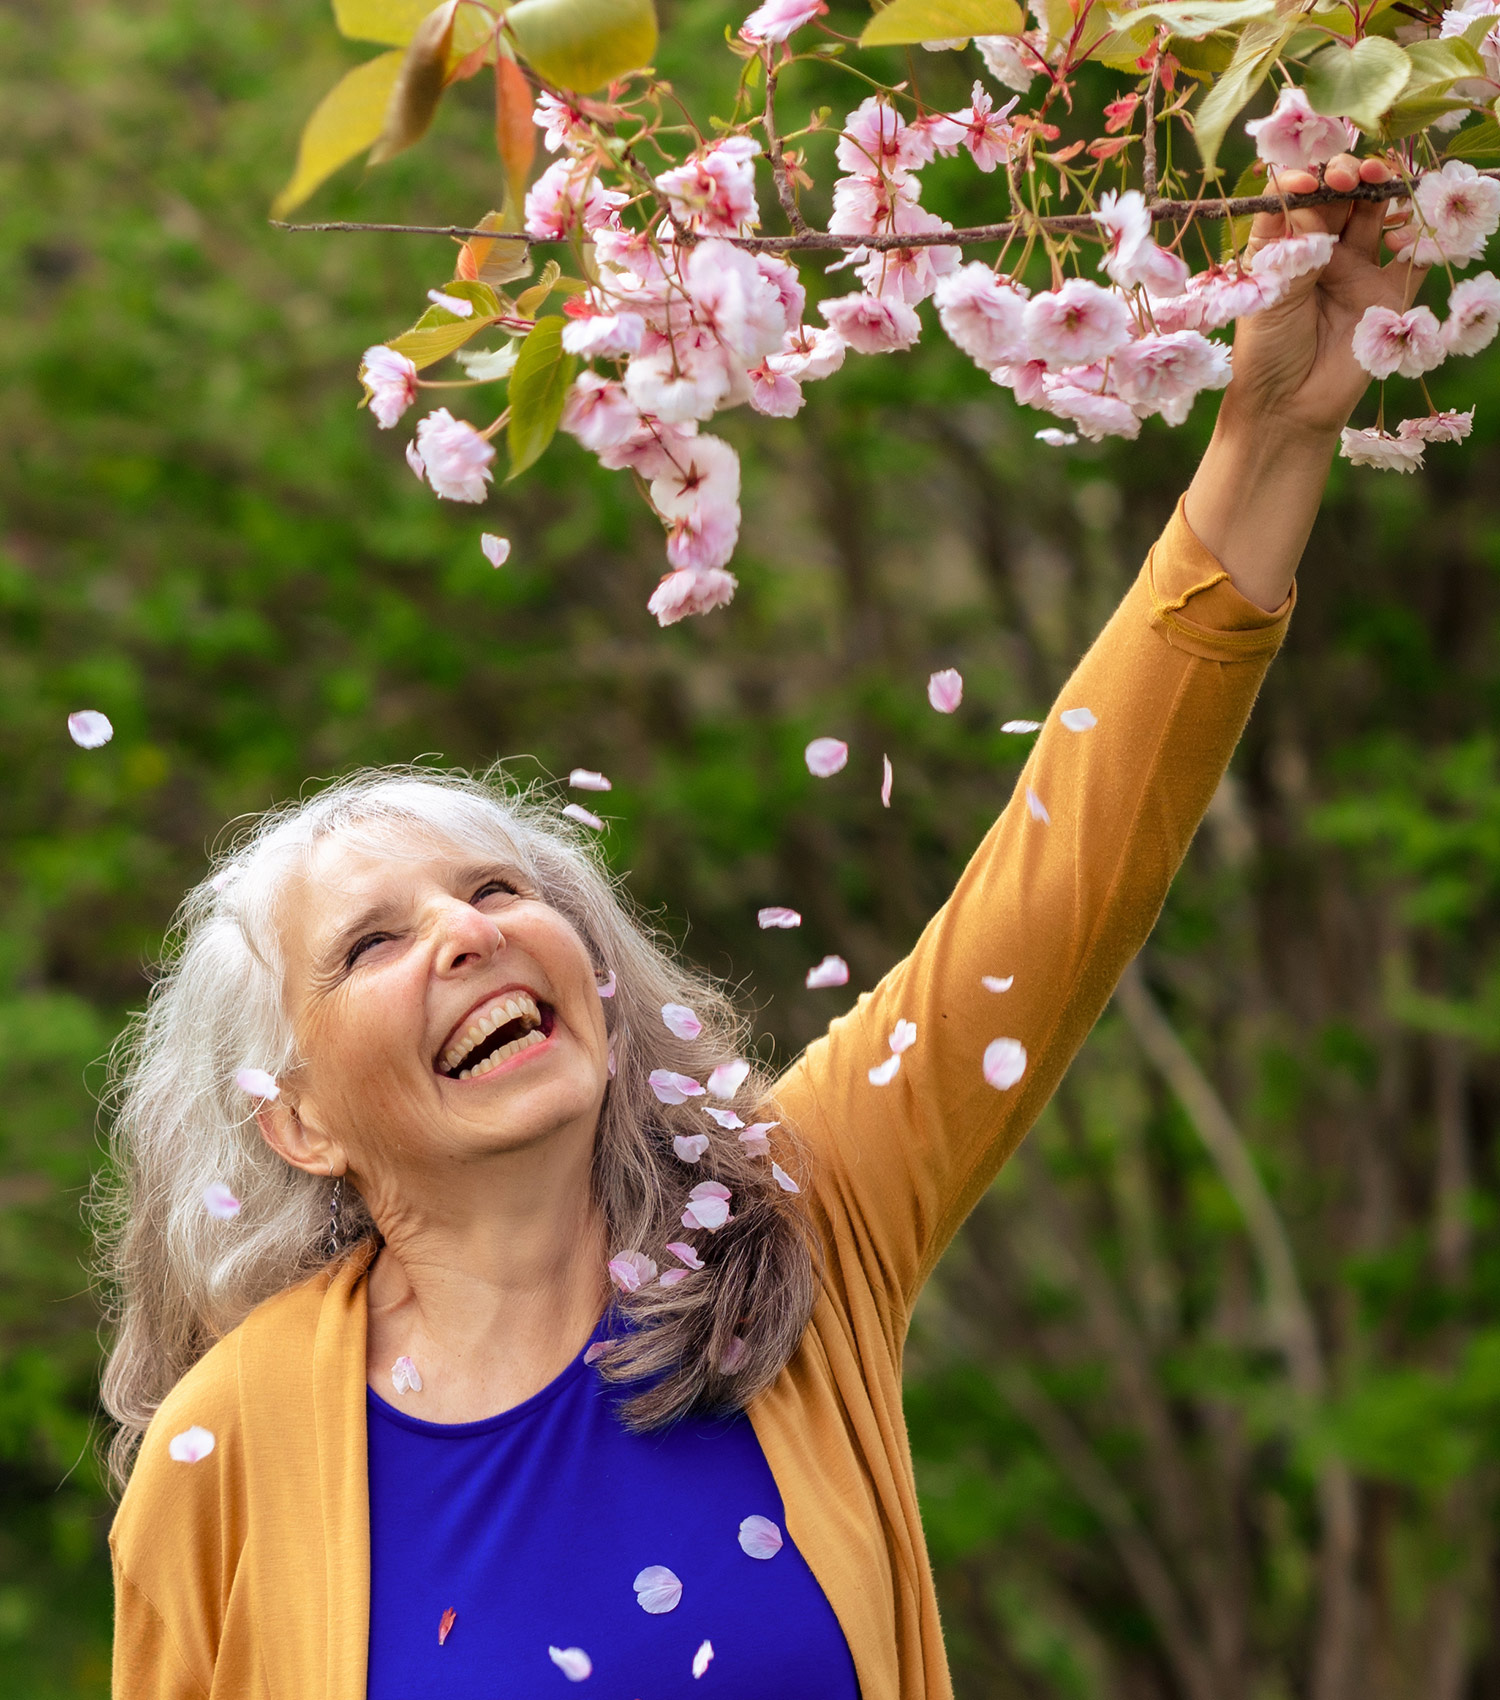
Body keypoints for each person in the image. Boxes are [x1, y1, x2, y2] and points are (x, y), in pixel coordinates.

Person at [104, 158, 1415, 1700]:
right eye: (371, 944)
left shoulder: (800, 1222)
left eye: (499, 890)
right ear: (302, 1120)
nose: (465, 935)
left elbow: (1070, 879)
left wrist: (1275, 427)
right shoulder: (228, 1453)